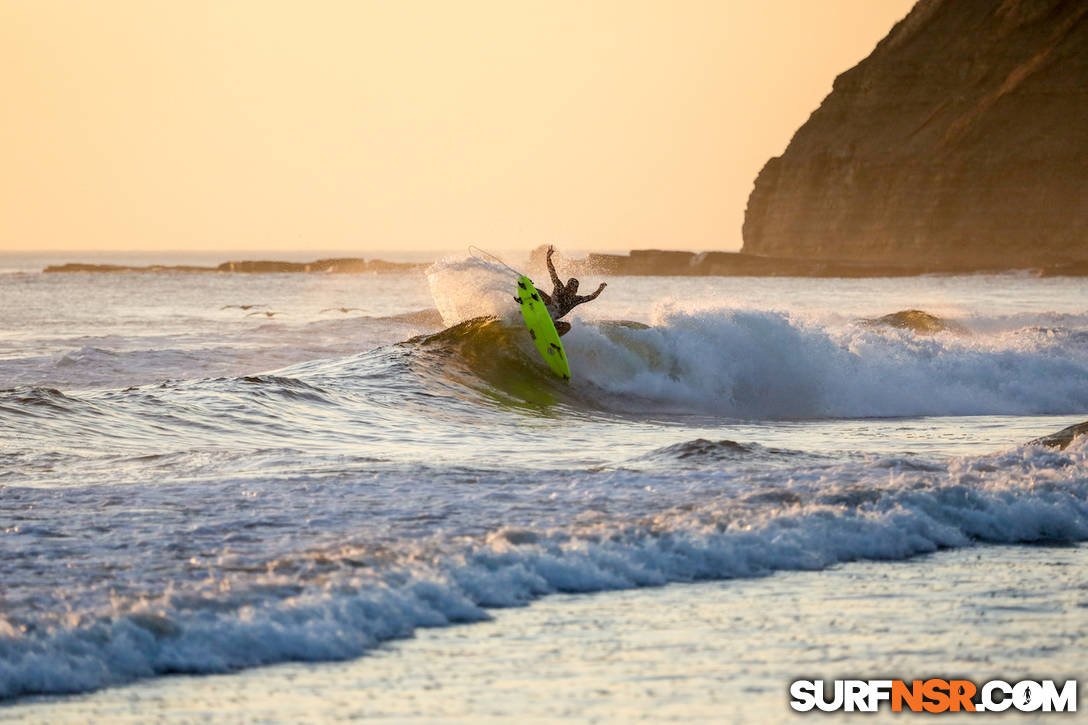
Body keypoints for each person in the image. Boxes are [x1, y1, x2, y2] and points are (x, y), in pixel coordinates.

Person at [535, 245, 607, 336]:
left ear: (576, 290)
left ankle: (550, 337)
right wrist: (548, 258)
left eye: (574, 289)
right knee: (539, 292)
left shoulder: (575, 299)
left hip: (551, 319)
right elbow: (552, 272)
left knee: (567, 326)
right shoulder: (559, 288)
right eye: (570, 287)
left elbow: (592, 297)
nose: (572, 290)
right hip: (545, 308)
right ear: (567, 286)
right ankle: (527, 300)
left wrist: (600, 289)